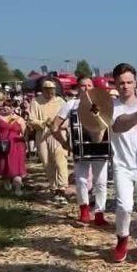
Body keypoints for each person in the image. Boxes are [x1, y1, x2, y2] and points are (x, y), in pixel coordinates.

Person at [108, 63, 137, 264]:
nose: (125, 86)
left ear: (135, 82)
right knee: (125, 206)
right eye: (121, 83)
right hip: (122, 165)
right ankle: (122, 239)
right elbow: (119, 126)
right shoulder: (110, 106)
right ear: (115, 84)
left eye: (129, 82)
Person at [53, 76, 110, 226]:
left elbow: (110, 125)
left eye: (89, 85)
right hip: (80, 148)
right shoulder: (71, 104)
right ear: (78, 88)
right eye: (83, 86)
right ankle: (84, 210)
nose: (86, 89)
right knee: (81, 180)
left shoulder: (102, 103)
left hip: (100, 148)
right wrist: (64, 143)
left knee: (101, 182)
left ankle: (99, 213)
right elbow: (54, 126)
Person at [29, 77, 70, 203]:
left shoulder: (61, 102)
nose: (49, 92)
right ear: (43, 90)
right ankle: (54, 188)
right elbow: (31, 120)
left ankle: (62, 189)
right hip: (42, 135)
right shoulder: (36, 102)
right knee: (47, 163)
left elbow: (67, 118)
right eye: (46, 89)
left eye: (52, 89)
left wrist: (59, 125)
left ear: (55, 89)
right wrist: (43, 123)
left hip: (58, 134)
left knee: (60, 160)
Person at [0, 99, 28, 195]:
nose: (6, 108)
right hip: (3, 144)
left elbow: (24, 133)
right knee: (3, 164)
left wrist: (25, 143)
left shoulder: (19, 119)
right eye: (5, 106)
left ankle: (18, 187)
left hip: (16, 145)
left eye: (9, 106)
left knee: (16, 165)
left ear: (13, 108)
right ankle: (6, 181)